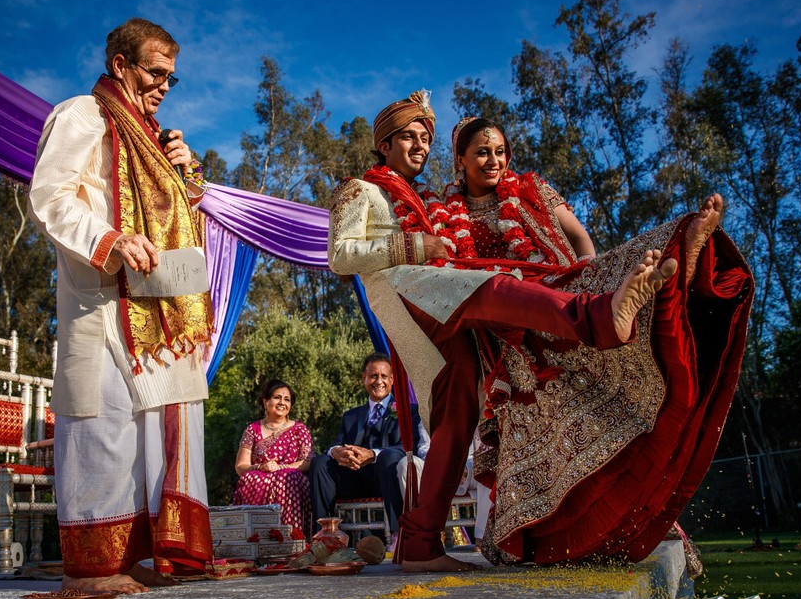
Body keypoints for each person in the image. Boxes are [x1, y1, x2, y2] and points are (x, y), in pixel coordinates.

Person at [328, 91, 678, 573]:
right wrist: (417, 244)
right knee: (492, 287)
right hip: (410, 291)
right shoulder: (358, 189)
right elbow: (340, 255)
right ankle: (597, 317)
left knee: (459, 417)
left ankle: (420, 542)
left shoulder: (426, 199)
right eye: (408, 137)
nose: (419, 146)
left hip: (439, 309)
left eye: (426, 138)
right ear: (383, 145)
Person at [432, 117, 753, 567]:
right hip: (511, 333)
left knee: (627, 277)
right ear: (460, 159)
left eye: (501, 151)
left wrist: (588, 282)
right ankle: (566, 538)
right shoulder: (447, 215)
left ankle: (682, 247)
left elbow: (581, 239)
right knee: (570, 426)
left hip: (563, 300)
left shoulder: (532, 189)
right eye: (483, 152)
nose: (494, 161)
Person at [28, 18, 214, 595]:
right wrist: (110, 241)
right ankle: (91, 569)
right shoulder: (83, 115)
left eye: (171, 79)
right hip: (103, 299)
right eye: (155, 73)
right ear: (121, 66)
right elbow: (49, 196)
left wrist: (186, 176)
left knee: (149, 433)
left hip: (160, 312)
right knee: (102, 425)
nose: (164, 85)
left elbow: (184, 220)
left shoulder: (156, 138)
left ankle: (140, 555)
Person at [309, 352, 422, 543]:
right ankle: (324, 535)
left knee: (389, 456)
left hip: (387, 477)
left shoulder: (408, 410)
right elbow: (335, 442)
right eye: (373, 376)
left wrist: (373, 454)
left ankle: (398, 535)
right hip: (354, 479)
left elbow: (408, 448)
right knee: (320, 463)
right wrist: (337, 452)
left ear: (392, 380)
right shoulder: (351, 416)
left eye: (383, 376)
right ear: (364, 379)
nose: (378, 381)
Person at [232, 380, 314, 534]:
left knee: (286, 477)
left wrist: (281, 468)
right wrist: (260, 467)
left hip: (292, 480)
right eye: (277, 397)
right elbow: (241, 466)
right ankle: (254, 537)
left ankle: (291, 537)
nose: (282, 403)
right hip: (260, 477)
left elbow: (307, 462)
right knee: (251, 478)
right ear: (265, 402)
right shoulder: (252, 430)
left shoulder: (299, 429)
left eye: (287, 399)